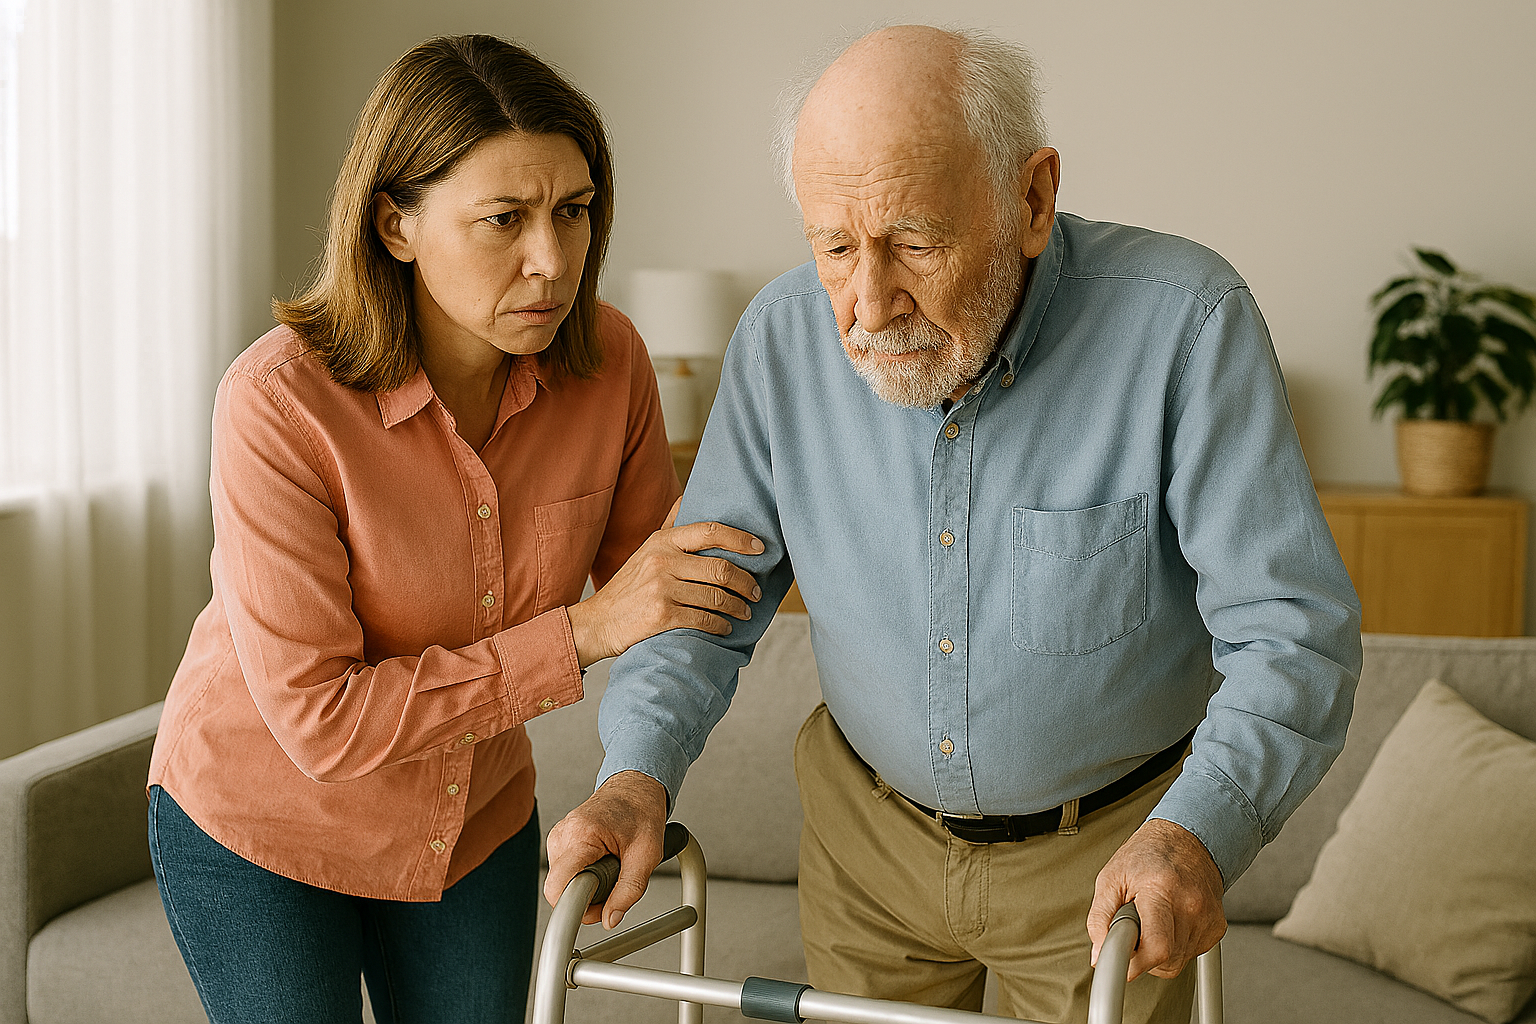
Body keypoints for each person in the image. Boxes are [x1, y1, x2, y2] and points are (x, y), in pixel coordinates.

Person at [545, 24, 1362, 1024]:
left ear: (1032, 198)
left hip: (1105, 858)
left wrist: (1193, 831)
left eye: (915, 242)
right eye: (835, 246)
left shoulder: (1186, 325)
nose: (868, 304)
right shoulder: (780, 340)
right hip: (867, 844)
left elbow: (1293, 635)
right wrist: (635, 773)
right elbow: (703, 600)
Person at [146, 34, 763, 1024]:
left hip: (470, 824)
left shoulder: (612, 365)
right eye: (505, 220)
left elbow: (678, 588)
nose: (552, 260)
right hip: (262, 824)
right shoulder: (276, 405)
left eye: (573, 211)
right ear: (396, 225)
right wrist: (589, 629)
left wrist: (635, 774)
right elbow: (324, 722)